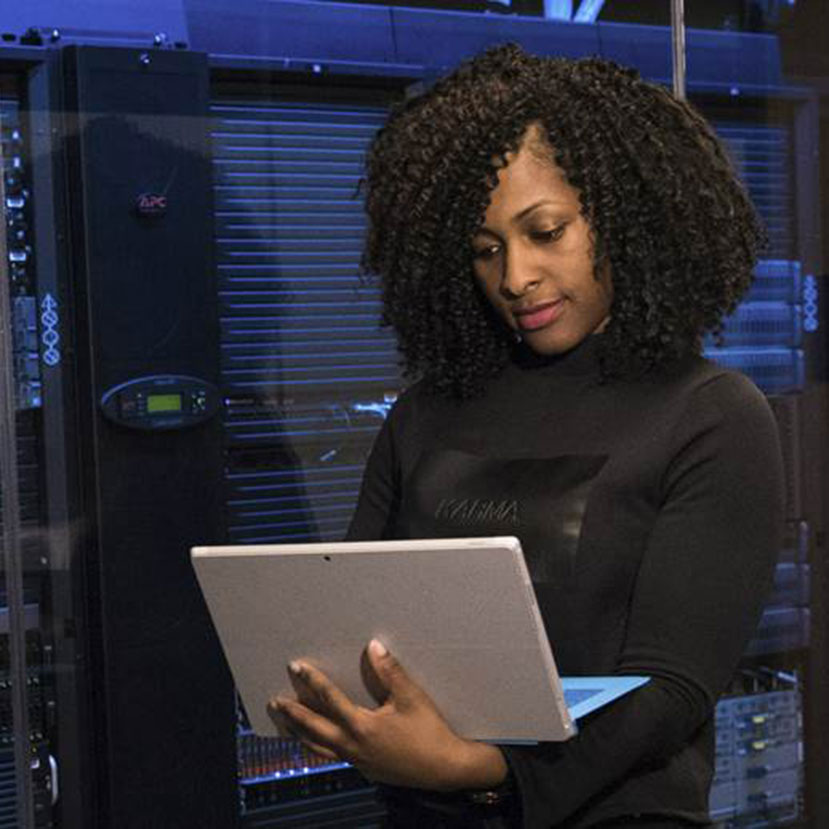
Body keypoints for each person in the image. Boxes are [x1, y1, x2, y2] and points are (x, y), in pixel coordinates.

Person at [268, 44, 784, 828]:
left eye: (545, 231)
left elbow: (670, 690)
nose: (515, 276)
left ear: (625, 215)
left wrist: (481, 769)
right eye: (485, 249)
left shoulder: (710, 413)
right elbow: (351, 629)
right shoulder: (425, 415)